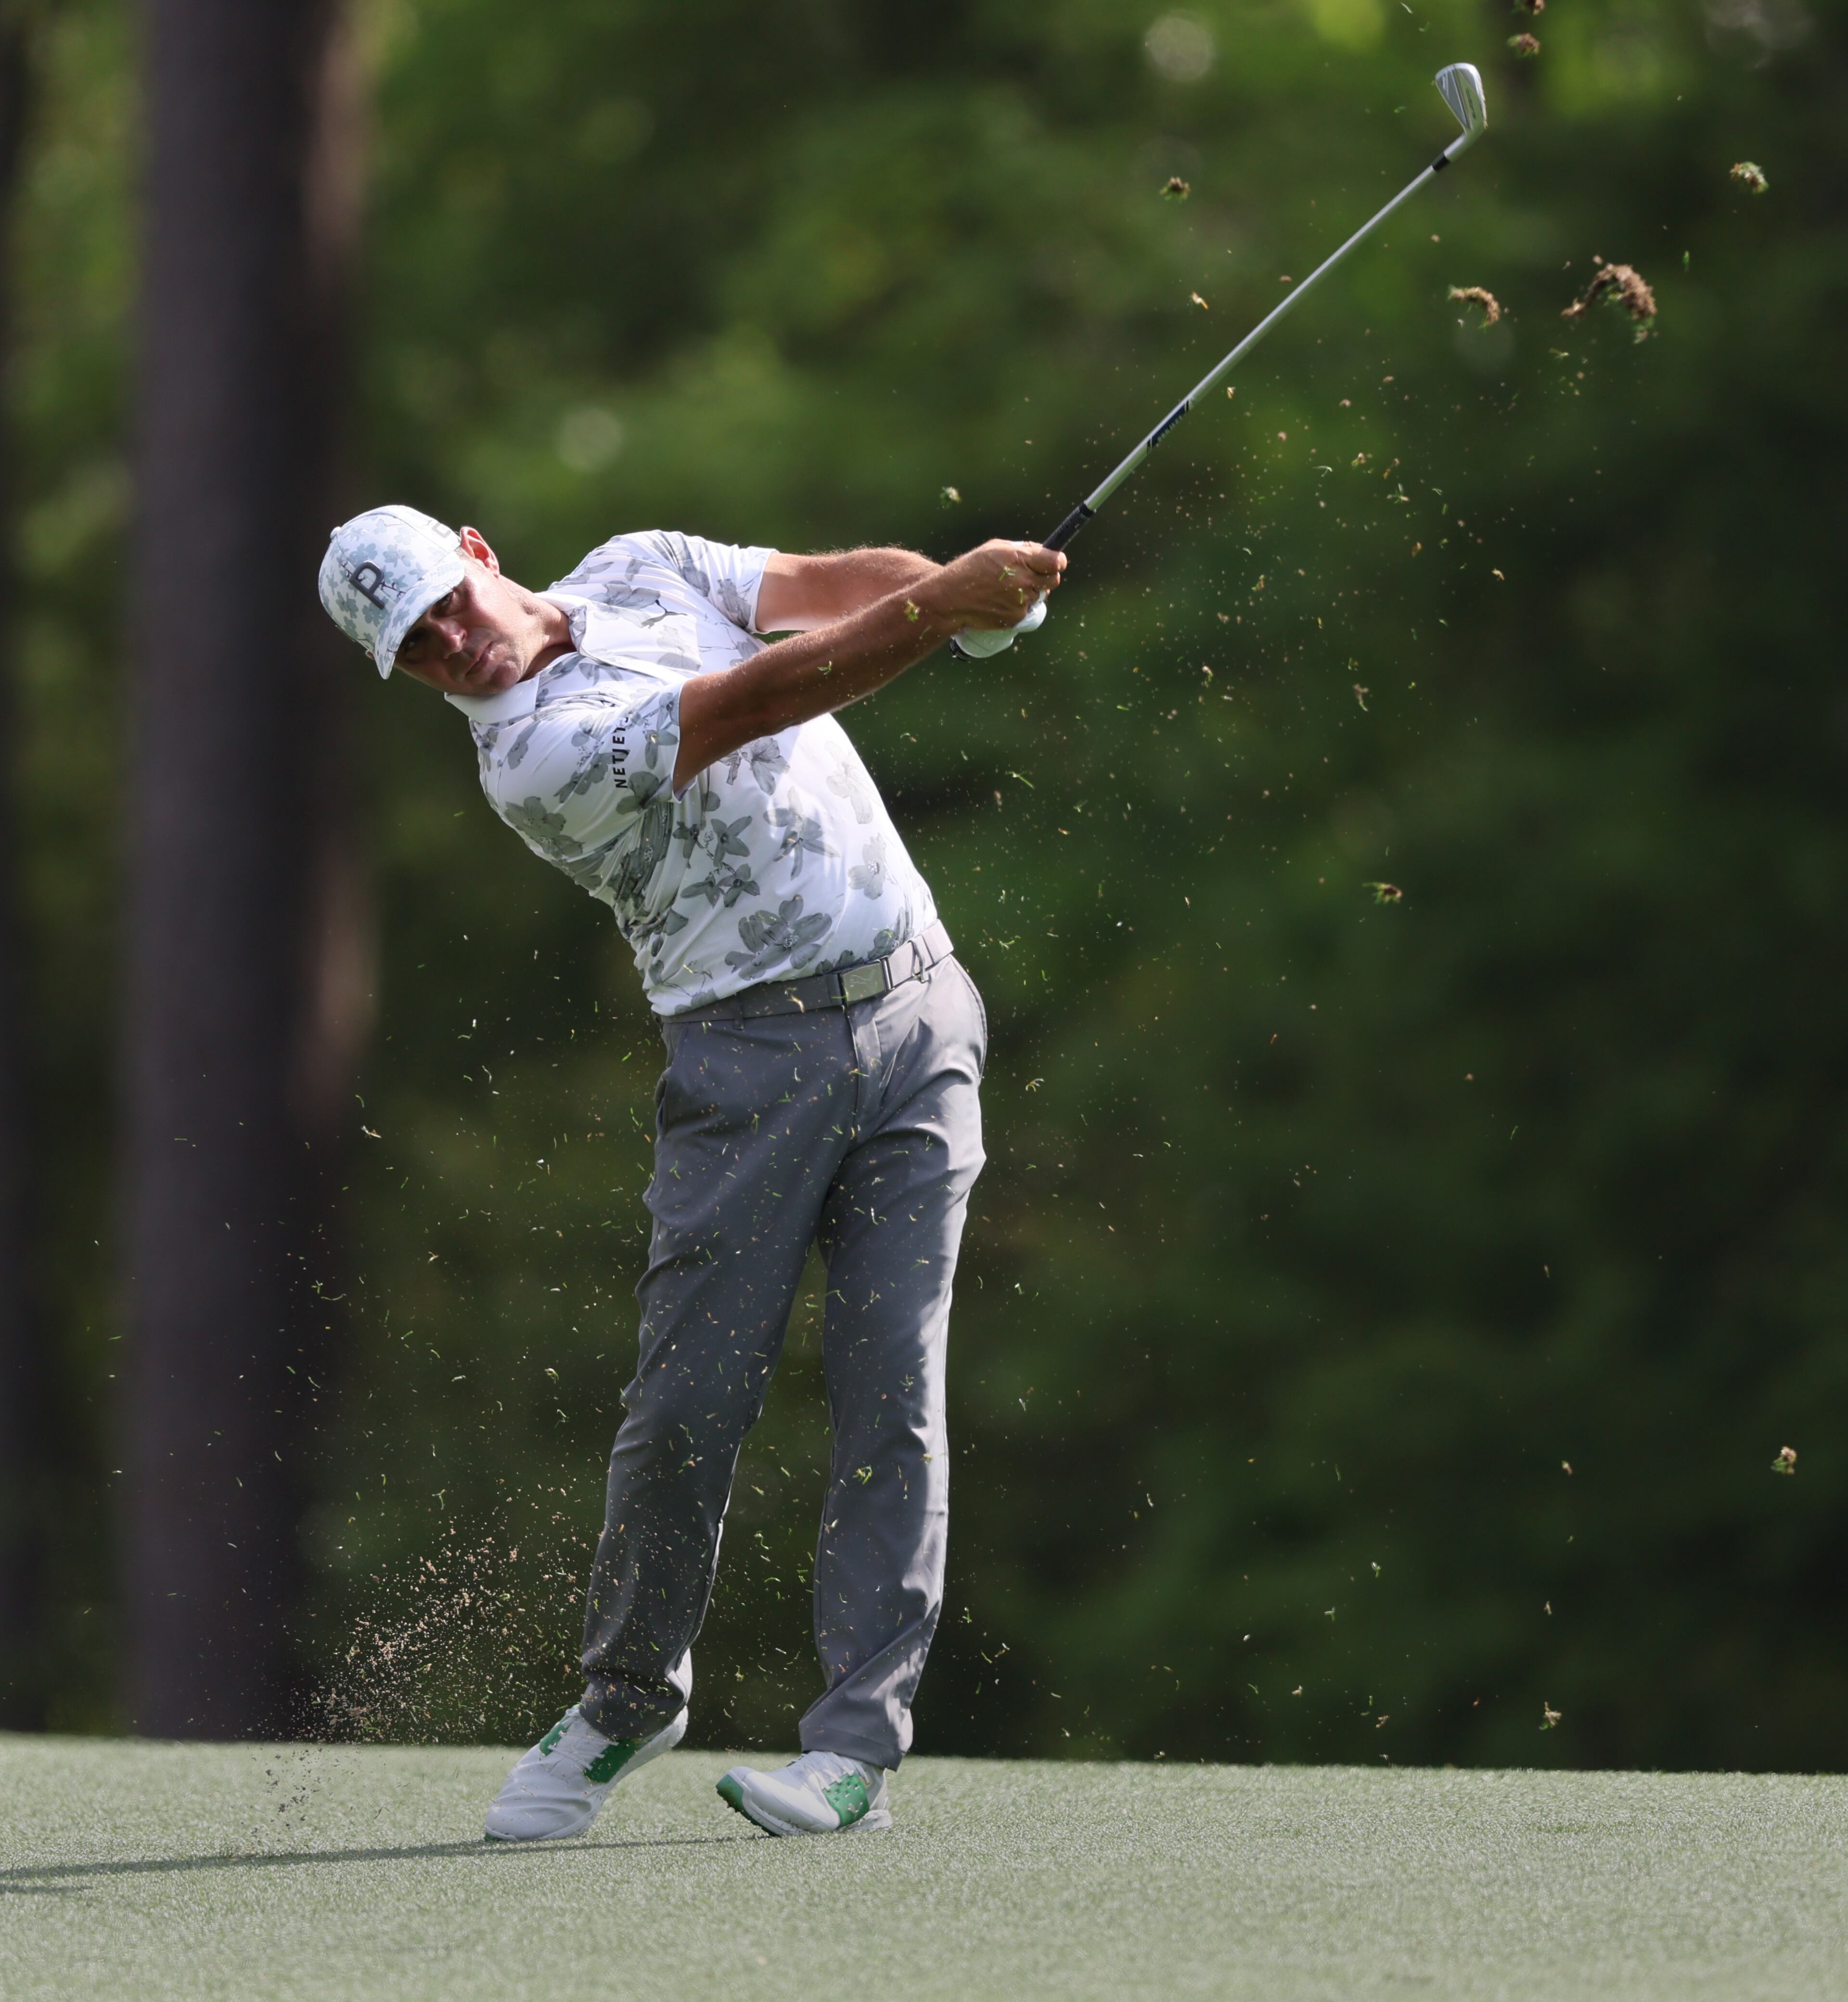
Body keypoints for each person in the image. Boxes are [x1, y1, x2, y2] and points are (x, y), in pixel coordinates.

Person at [319, 507, 1065, 1839]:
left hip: (921, 1013)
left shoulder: (641, 565)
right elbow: (778, 686)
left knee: (892, 1384)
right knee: (689, 1403)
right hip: (746, 1061)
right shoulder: (532, 762)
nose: (450, 644)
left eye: (446, 605)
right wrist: (947, 608)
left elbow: (838, 586)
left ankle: (855, 1751)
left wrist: (975, 601)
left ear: (479, 555)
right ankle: (628, 1697)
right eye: (417, 650)